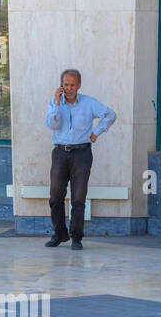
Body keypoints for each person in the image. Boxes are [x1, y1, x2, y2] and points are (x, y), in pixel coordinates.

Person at [44, 69, 116, 250]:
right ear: (61, 85)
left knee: (78, 197)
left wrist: (97, 132)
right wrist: (56, 103)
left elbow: (111, 114)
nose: (69, 88)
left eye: (72, 85)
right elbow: (53, 125)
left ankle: (76, 237)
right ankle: (59, 234)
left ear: (79, 86)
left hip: (81, 154)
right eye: (66, 85)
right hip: (60, 153)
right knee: (55, 196)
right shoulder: (55, 104)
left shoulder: (89, 103)